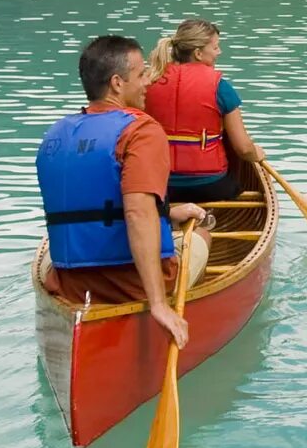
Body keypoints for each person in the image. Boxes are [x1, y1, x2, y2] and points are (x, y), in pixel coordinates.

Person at [37, 33, 215, 349]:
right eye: (142, 73)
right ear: (118, 83)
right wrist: (158, 303)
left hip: (68, 283)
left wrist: (169, 214)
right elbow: (136, 212)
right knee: (202, 235)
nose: (148, 81)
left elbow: (97, 205)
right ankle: (172, 313)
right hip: (129, 285)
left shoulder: (55, 135)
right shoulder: (141, 131)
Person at [143, 18, 264, 206]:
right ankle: (204, 218)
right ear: (198, 53)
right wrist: (257, 154)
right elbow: (243, 147)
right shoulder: (220, 87)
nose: (219, 52)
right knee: (234, 159)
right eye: (215, 48)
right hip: (211, 185)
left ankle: (174, 219)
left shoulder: (147, 83)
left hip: (161, 185)